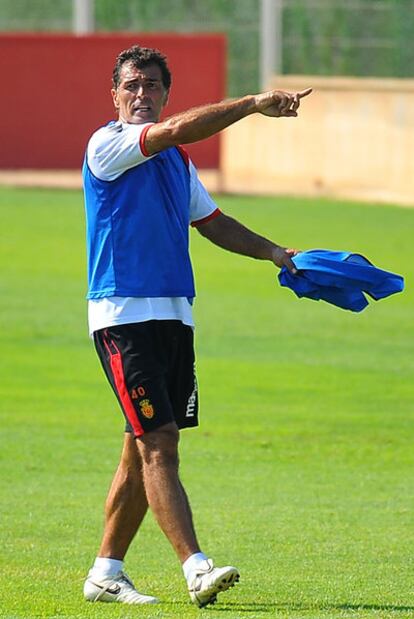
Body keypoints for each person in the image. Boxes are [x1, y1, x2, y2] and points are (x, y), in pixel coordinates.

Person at [82, 44, 312, 608]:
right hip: (124, 316)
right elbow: (175, 130)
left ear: (165, 93)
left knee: (141, 449)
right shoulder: (108, 145)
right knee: (159, 443)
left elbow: (212, 223)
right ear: (114, 93)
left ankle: (105, 573)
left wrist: (276, 253)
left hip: (174, 317)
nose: (142, 95)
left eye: (153, 86)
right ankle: (196, 567)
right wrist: (255, 102)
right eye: (132, 85)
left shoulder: (175, 162)